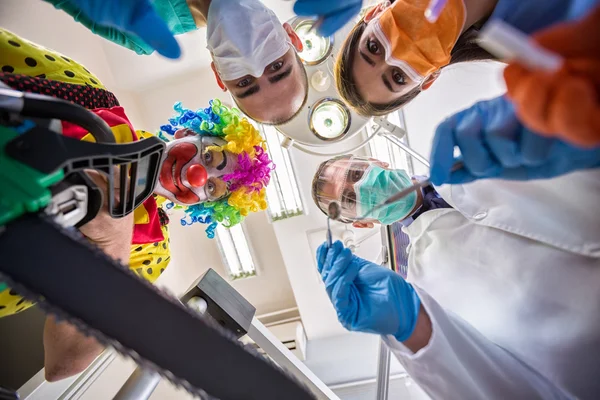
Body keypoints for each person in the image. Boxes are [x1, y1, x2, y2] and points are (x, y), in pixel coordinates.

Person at [0, 28, 273, 380]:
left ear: (204, 206)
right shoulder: (88, 93)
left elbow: (63, 362)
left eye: (215, 188)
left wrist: (112, 243)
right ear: (185, 132)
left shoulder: (152, 254)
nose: (197, 175)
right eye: (209, 154)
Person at [311, 155, 600, 398]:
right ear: (362, 224)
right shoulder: (424, 282)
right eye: (350, 198)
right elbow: (484, 378)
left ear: (376, 161)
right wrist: (412, 328)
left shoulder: (476, 159)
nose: (363, 186)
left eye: (357, 173)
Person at [293, 0, 597, 117]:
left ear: (373, 13)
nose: (398, 50)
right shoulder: (540, 42)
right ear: (431, 77)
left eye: (373, 47)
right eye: (398, 77)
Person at [44, 0, 309, 125]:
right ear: (291, 36)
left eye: (244, 82)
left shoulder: (133, 29)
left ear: (218, 74)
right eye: (277, 67)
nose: (252, 62)